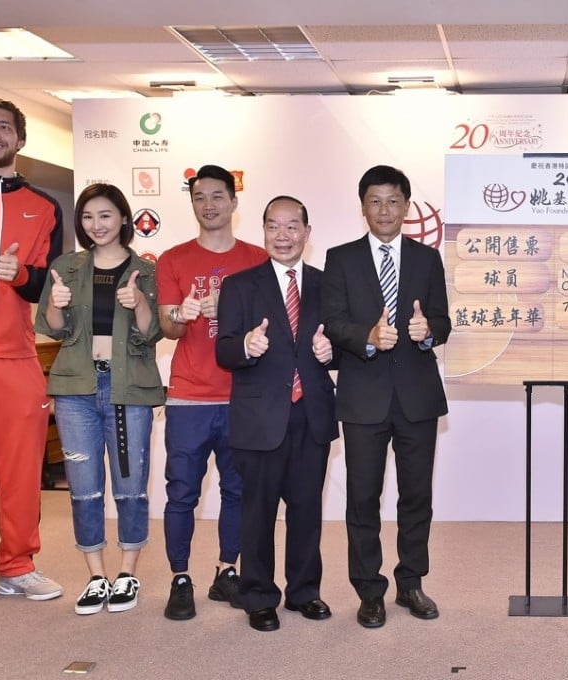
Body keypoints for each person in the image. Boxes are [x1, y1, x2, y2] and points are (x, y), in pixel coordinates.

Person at [321, 165, 451, 629]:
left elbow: (442, 321)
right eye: (375, 201)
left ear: (406, 206)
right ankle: (369, 591)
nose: (384, 210)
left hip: (417, 396)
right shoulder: (341, 259)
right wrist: (369, 336)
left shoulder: (427, 258)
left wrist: (426, 331)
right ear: (363, 207)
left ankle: (411, 583)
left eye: (393, 201)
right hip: (363, 397)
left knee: (417, 498)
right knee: (362, 499)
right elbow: (333, 321)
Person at [35, 183, 165, 614]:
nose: (97, 225)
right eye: (89, 217)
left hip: (129, 391)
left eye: (106, 215)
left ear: (124, 218)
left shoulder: (146, 270)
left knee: (130, 487)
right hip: (76, 391)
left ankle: (127, 571)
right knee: (84, 489)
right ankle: (95, 574)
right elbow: (52, 327)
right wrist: (56, 302)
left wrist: (139, 303)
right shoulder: (66, 267)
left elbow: (153, 332)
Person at [216, 195, 337, 632]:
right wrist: (246, 346)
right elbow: (224, 349)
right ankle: (259, 596)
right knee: (258, 512)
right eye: (273, 226)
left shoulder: (328, 285)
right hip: (260, 417)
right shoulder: (240, 285)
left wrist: (333, 351)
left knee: (306, 509)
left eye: (292, 227)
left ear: (307, 232)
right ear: (263, 230)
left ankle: (305, 592)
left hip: (312, 415)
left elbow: (342, 342)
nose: (282, 236)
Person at [156, 165, 267, 620]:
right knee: (182, 491)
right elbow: (165, 327)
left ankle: (228, 571)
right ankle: (180, 577)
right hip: (189, 396)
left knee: (238, 490)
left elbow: (273, 325)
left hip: (242, 395)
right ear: (193, 203)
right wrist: (181, 315)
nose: (209, 205)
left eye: (218, 196)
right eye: (200, 197)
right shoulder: (173, 259)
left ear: (234, 202)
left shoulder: (258, 259)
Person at [0, 98, 64, 601]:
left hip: (13, 355)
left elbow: (47, 284)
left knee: (20, 467)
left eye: (3, 127)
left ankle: (16, 564)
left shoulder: (43, 206)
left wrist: (18, 274)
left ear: (20, 139)